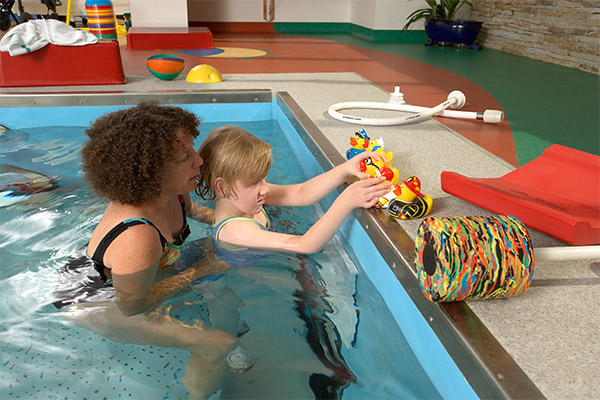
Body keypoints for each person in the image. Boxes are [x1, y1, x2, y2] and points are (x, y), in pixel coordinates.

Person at [54, 101, 238, 399]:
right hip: (92, 302)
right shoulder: (137, 236)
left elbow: (198, 212)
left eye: (192, 148)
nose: (199, 160)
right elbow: (132, 307)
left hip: (122, 272)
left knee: (221, 245)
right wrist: (201, 270)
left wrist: (236, 220)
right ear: (150, 171)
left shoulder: (174, 193)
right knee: (219, 343)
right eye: (184, 157)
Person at [196, 125, 392, 257]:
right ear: (222, 187)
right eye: (255, 182)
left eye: (263, 179)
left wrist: (345, 170)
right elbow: (304, 245)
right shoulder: (235, 231)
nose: (265, 188)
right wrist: (347, 200)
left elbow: (301, 193)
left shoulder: (241, 198)